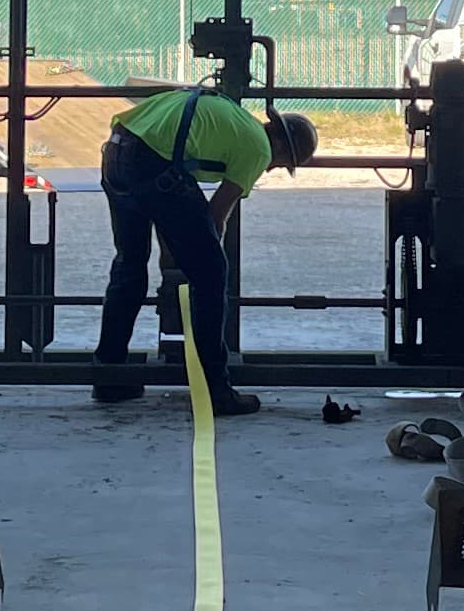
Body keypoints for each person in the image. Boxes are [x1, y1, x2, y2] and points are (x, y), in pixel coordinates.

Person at [93, 79, 316, 420]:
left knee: (130, 264)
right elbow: (216, 215)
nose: (270, 169)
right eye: (279, 164)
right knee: (211, 275)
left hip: (117, 151)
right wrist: (202, 253)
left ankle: (108, 376)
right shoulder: (258, 148)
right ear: (282, 148)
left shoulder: (232, 118)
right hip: (153, 164)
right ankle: (216, 390)